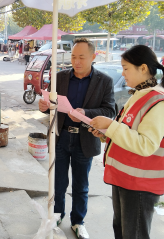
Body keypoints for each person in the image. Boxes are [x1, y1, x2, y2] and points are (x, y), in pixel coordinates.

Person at [88, 45, 164, 239]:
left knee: (133, 234)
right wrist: (106, 134)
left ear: (143, 68)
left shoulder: (159, 102)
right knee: (121, 231)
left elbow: (146, 144)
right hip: (125, 179)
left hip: (140, 185)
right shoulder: (140, 95)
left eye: (126, 68)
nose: (123, 73)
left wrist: (111, 126)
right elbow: (129, 133)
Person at [39, 38, 115, 239]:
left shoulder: (104, 81)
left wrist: (86, 112)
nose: (77, 61)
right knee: (58, 182)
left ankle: (78, 221)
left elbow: (110, 111)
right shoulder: (60, 77)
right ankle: (57, 215)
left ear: (93, 56)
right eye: (73, 56)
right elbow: (53, 106)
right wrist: (45, 107)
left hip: (85, 139)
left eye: (82, 57)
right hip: (61, 137)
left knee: (81, 185)